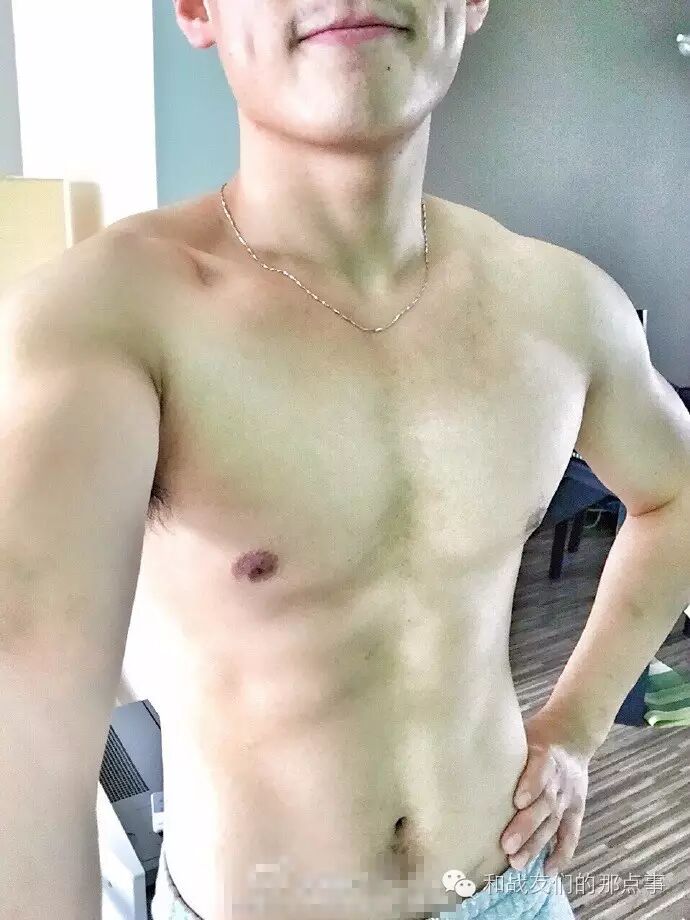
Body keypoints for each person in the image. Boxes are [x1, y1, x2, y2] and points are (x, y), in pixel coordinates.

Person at [3, 1, 690, 918]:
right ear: (199, 9)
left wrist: (575, 726)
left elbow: (676, 493)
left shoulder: (564, 308)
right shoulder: (100, 323)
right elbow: (26, 723)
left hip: (512, 894)